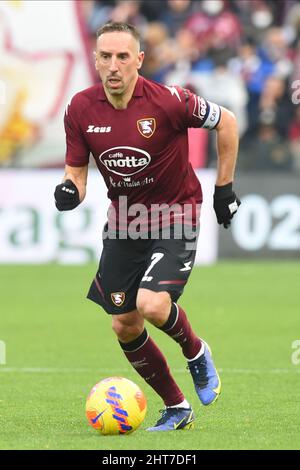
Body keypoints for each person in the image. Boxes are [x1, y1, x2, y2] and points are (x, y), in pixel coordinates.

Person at [54, 22, 240, 432]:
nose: (114, 65)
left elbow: (226, 121)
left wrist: (223, 188)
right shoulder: (80, 108)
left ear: (140, 59)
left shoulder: (170, 101)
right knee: (124, 323)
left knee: (152, 304)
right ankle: (176, 407)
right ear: (95, 59)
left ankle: (195, 352)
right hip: (124, 222)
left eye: (123, 56)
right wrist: (70, 191)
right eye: (106, 56)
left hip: (176, 213)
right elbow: (77, 174)